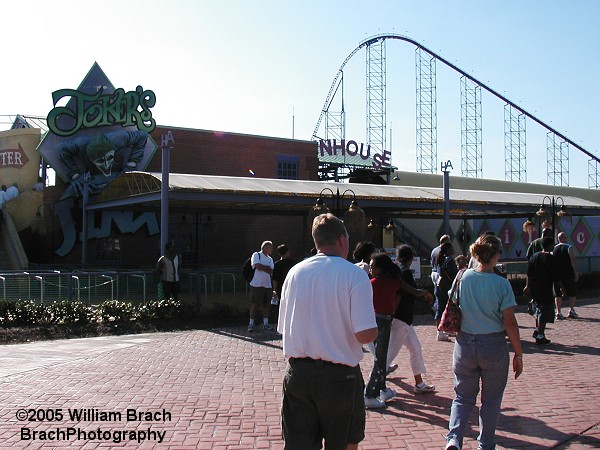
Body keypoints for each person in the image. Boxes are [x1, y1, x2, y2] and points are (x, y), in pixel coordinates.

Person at [278, 213, 378, 450]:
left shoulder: (295, 273)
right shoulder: (354, 274)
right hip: (340, 378)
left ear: (317, 242)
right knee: (343, 444)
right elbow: (364, 334)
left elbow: (283, 326)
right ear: (342, 240)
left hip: (299, 374)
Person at [445, 234, 523, 450]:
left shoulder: (462, 277)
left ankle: (454, 438)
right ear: (495, 256)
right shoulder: (501, 284)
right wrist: (518, 353)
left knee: (462, 396)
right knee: (491, 400)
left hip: (465, 344)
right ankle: (486, 444)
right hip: (493, 345)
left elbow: (452, 302)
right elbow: (510, 322)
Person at [387, 245, 436, 394]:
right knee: (388, 356)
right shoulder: (405, 272)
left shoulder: (397, 270)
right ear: (411, 258)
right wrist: (426, 297)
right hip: (402, 318)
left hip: (401, 318)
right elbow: (414, 292)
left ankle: (419, 383)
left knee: (415, 348)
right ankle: (372, 386)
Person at [364, 253, 402, 409]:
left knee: (379, 359)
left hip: (372, 321)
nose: (370, 269)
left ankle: (378, 389)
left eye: (372, 266)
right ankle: (371, 392)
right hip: (384, 321)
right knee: (380, 359)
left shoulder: (371, 283)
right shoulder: (394, 282)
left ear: (380, 268)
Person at [524, 236, 561, 345]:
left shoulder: (534, 257)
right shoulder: (551, 258)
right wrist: (562, 288)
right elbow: (556, 277)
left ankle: (539, 331)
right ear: (549, 245)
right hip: (545, 288)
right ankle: (540, 334)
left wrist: (527, 286)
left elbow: (528, 274)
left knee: (538, 308)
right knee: (544, 311)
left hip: (535, 288)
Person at [247, 241, 275, 332]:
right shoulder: (256, 255)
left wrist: (264, 268)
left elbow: (271, 271)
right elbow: (257, 266)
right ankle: (251, 324)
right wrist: (266, 268)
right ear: (265, 247)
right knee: (255, 303)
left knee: (266, 304)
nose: (272, 249)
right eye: (270, 247)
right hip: (257, 284)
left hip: (267, 285)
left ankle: (265, 323)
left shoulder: (270, 259)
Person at [434, 242, 458, 341]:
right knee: (448, 309)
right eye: (451, 248)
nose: (453, 250)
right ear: (448, 250)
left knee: (440, 308)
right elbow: (454, 275)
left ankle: (440, 331)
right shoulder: (450, 260)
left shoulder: (440, 259)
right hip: (447, 288)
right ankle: (446, 328)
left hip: (439, 287)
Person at [553, 232, 580, 320]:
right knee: (572, 293)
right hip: (568, 274)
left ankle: (558, 312)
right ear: (565, 238)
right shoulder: (569, 247)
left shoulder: (554, 248)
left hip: (557, 275)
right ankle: (571, 310)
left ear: (558, 239)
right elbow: (573, 260)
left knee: (558, 294)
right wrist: (576, 272)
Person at [271, 244, 297, 323]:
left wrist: (275, 290)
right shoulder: (293, 263)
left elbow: (275, 278)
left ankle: (281, 323)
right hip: (292, 286)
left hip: (280, 287)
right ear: (288, 252)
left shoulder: (277, 264)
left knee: (281, 306)